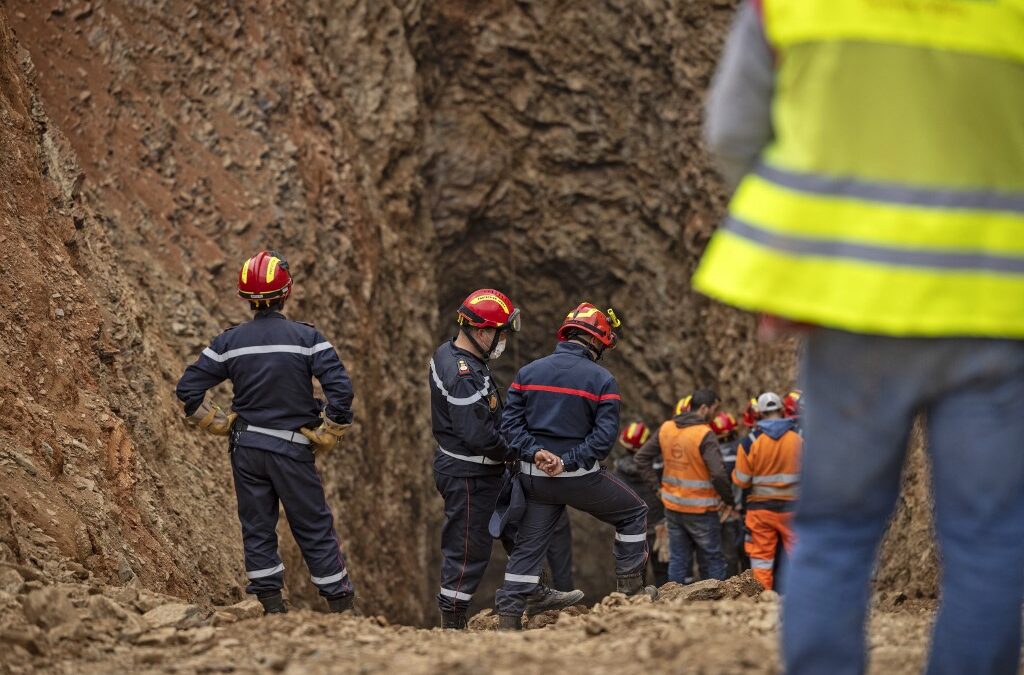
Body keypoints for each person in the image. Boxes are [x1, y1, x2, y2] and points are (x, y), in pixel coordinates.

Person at [696, 2, 1024, 670]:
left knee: (836, 531)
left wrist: (793, 251)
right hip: (994, 301)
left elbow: (732, 132)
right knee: (990, 538)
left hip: (850, 307)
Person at [176, 251, 355, 615]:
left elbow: (188, 388)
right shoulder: (307, 338)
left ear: (246, 298)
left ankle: (270, 606)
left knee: (257, 526)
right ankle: (341, 607)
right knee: (313, 524)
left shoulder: (229, 342)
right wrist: (331, 426)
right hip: (290, 449)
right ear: (286, 292)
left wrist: (212, 420)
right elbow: (341, 388)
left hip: (246, 447)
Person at [429, 289, 580, 629]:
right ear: (481, 331)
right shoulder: (463, 375)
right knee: (468, 548)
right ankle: (452, 621)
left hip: (485, 472)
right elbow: (479, 436)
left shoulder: (454, 355)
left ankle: (534, 591)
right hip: (469, 475)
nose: (503, 341)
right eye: (500, 333)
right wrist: (519, 452)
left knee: (519, 527)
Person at [495, 303, 652, 630]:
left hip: (535, 479)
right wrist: (567, 461)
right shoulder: (602, 379)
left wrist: (537, 453)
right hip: (580, 477)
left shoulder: (528, 372)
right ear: (597, 341)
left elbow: (509, 426)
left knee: (528, 547)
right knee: (634, 512)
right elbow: (604, 438)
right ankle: (631, 590)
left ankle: (508, 619)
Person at [636, 389, 735, 583]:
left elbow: (641, 458)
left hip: (673, 507)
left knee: (679, 559)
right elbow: (718, 473)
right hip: (701, 509)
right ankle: (715, 605)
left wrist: (658, 489)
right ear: (705, 408)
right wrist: (728, 499)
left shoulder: (667, 428)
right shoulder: (704, 434)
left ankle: (675, 605)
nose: (716, 414)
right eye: (715, 408)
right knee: (712, 557)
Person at [732, 392, 800, 590]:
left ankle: (763, 602)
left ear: (759, 414)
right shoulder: (798, 438)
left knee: (762, 560)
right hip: (792, 508)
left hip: (761, 511)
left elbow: (742, 481)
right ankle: (803, 598)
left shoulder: (750, 442)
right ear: (781, 410)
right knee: (798, 555)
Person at [613, 421, 669, 586]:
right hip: (660, 526)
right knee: (663, 573)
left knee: (635, 573)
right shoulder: (657, 467)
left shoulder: (618, 471)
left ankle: (638, 603)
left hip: (632, 529)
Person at [711, 411, 744, 577]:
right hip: (738, 510)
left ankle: (728, 590)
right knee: (743, 553)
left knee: (726, 555)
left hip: (720, 510)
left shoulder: (712, 451)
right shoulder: (741, 447)